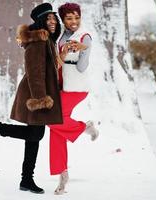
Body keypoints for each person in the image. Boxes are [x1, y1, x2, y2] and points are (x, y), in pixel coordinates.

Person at [0, 3, 63, 194]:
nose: (53, 21)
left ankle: (26, 181)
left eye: (54, 17)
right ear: (40, 21)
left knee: (34, 138)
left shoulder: (47, 40)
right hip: (36, 93)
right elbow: (34, 72)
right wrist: (40, 98)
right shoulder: (38, 41)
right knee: (36, 135)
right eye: (48, 18)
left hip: (40, 92)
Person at [48, 3, 99, 195]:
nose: (74, 21)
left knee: (53, 119)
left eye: (76, 17)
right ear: (63, 19)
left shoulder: (85, 37)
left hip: (77, 87)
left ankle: (84, 127)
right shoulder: (63, 35)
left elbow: (82, 67)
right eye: (69, 18)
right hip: (62, 86)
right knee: (56, 130)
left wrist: (84, 49)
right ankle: (62, 173)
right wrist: (63, 53)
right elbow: (58, 61)